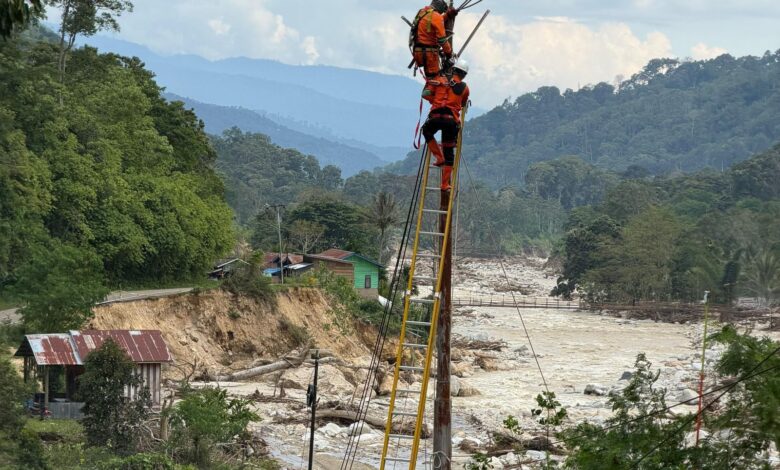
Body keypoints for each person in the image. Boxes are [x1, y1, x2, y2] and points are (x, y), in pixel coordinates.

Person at [421, 59, 470, 191]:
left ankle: (439, 157)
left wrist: (435, 99)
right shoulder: (465, 88)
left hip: (436, 116)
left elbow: (425, 94)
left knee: (426, 131)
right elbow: (463, 103)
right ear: (464, 75)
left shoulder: (439, 80)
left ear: (453, 69)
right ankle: (444, 184)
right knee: (449, 151)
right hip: (451, 120)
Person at [411, 0, 458, 78]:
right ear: (441, 5)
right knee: (435, 80)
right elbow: (442, 40)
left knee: (432, 79)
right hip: (429, 54)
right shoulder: (436, 16)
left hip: (418, 52)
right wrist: (449, 54)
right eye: (444, 9)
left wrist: (448, 15)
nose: (443, 11)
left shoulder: (423, 12)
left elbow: (433, 21)